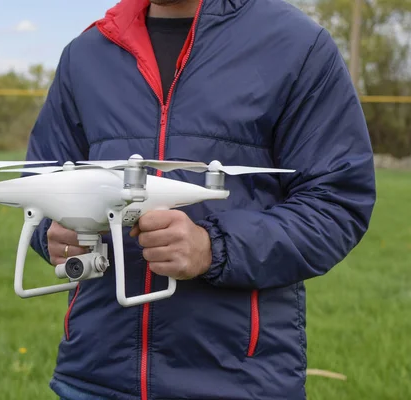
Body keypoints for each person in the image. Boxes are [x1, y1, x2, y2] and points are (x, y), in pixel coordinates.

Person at [24, 0, 377, 398]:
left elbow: (337, 202)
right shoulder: (87, 54)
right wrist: (52, 231)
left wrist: (213, 248)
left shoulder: (296, 45)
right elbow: (38, 183)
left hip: (237, 381)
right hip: (94, 377)